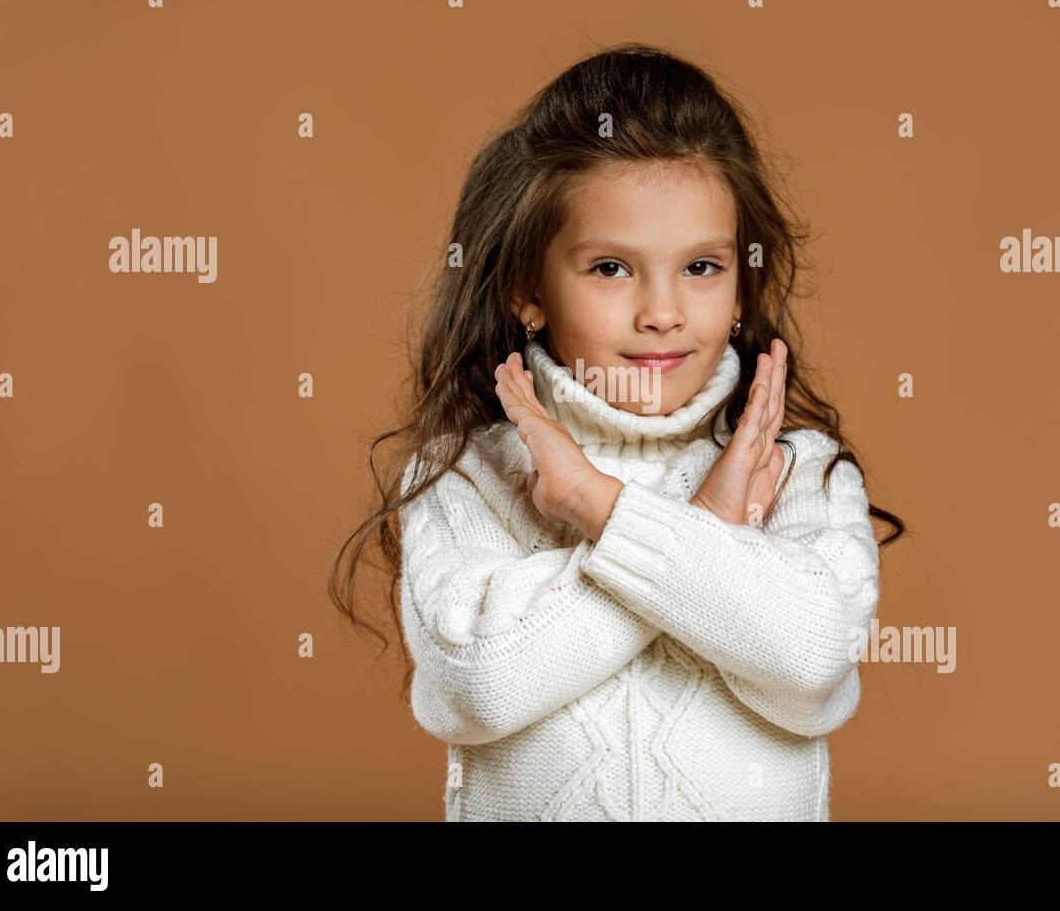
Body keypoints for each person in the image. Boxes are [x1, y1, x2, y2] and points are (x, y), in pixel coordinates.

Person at [329, 42, 906, 821]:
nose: (662, 311)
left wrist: (600, 506)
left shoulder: (797, 471)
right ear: (528, 289)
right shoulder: (471, 473)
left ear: (743, 286)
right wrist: (708, 525)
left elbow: (810, 662)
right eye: (611, 268)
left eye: (701, 267)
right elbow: (479, 684)